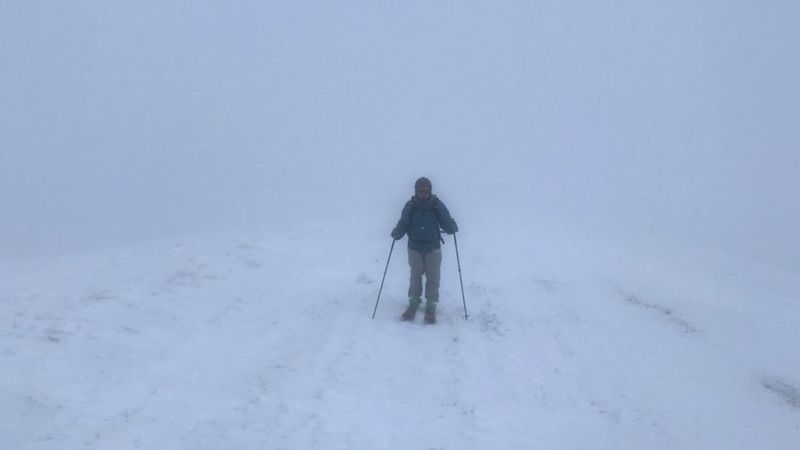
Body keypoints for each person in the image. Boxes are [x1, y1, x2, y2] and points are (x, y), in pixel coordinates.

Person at [391, 177, 458, 323]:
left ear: (430, 191)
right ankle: (414, 300)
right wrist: (398, 232)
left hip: (433, 247)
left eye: (425, 190)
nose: (423, 193)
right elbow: (404, 222)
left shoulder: (436, 205)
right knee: (415, 275)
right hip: (414, 247)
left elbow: (445, 219)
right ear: (416, 191)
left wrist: (451, 227)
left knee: (433, 276)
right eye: (420, 190)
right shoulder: (410, 206)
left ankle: (431, 303)